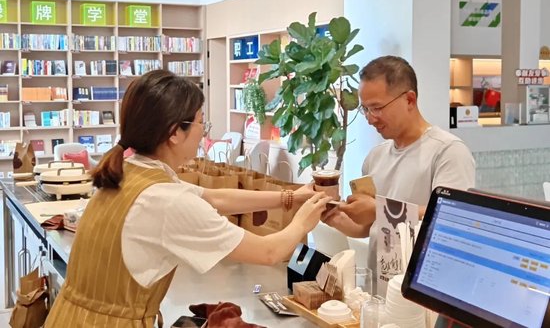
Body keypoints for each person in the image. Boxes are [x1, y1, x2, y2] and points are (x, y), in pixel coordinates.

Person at [45, 70, 330, 327]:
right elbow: (268, 252)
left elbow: (215, 198)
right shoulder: (166, 199)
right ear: (174, 133)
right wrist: (304, 221)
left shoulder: (133, 171)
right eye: (200, 123)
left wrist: (289, 197)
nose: (203, 132)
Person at [323, 55, 475, 288]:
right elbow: (369, 229)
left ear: (409, 100)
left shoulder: (448, 152)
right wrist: (334, 216)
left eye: (377, 108)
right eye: (365, 109)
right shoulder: (375, 156)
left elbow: (451, 218)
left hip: (423, 291)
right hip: (379, 290)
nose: (370, 119)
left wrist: (380, 208)